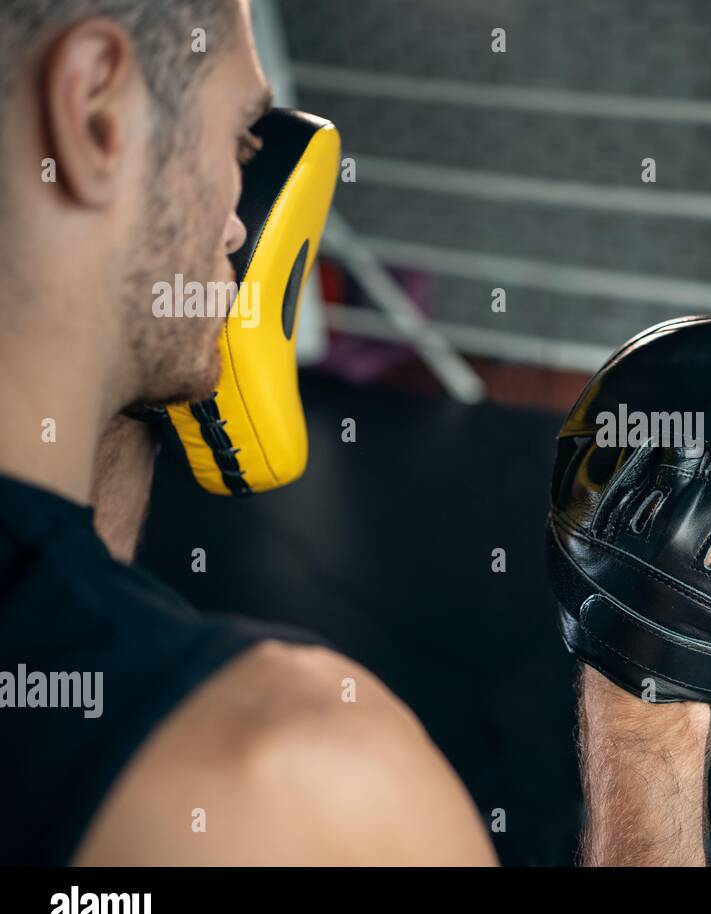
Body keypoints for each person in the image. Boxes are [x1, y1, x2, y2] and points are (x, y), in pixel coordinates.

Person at [0, 0, 502, 865]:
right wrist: (652, 709)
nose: (240, 226)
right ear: (93, 115)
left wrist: (124, 369)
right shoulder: (285, 780)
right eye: (238, 141)